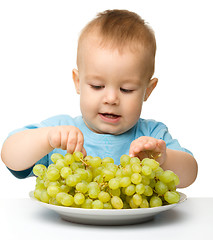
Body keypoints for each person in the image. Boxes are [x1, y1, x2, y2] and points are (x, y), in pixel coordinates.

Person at [1, 9, 197, 188]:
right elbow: (10, 155)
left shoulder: (152, 136)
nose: (111, 98)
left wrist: (163, 159)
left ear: (148, 90)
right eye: (97, 86)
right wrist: (46, 138)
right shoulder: (61, 131)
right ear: (78, 82)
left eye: (126, 89)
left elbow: (190, 174)